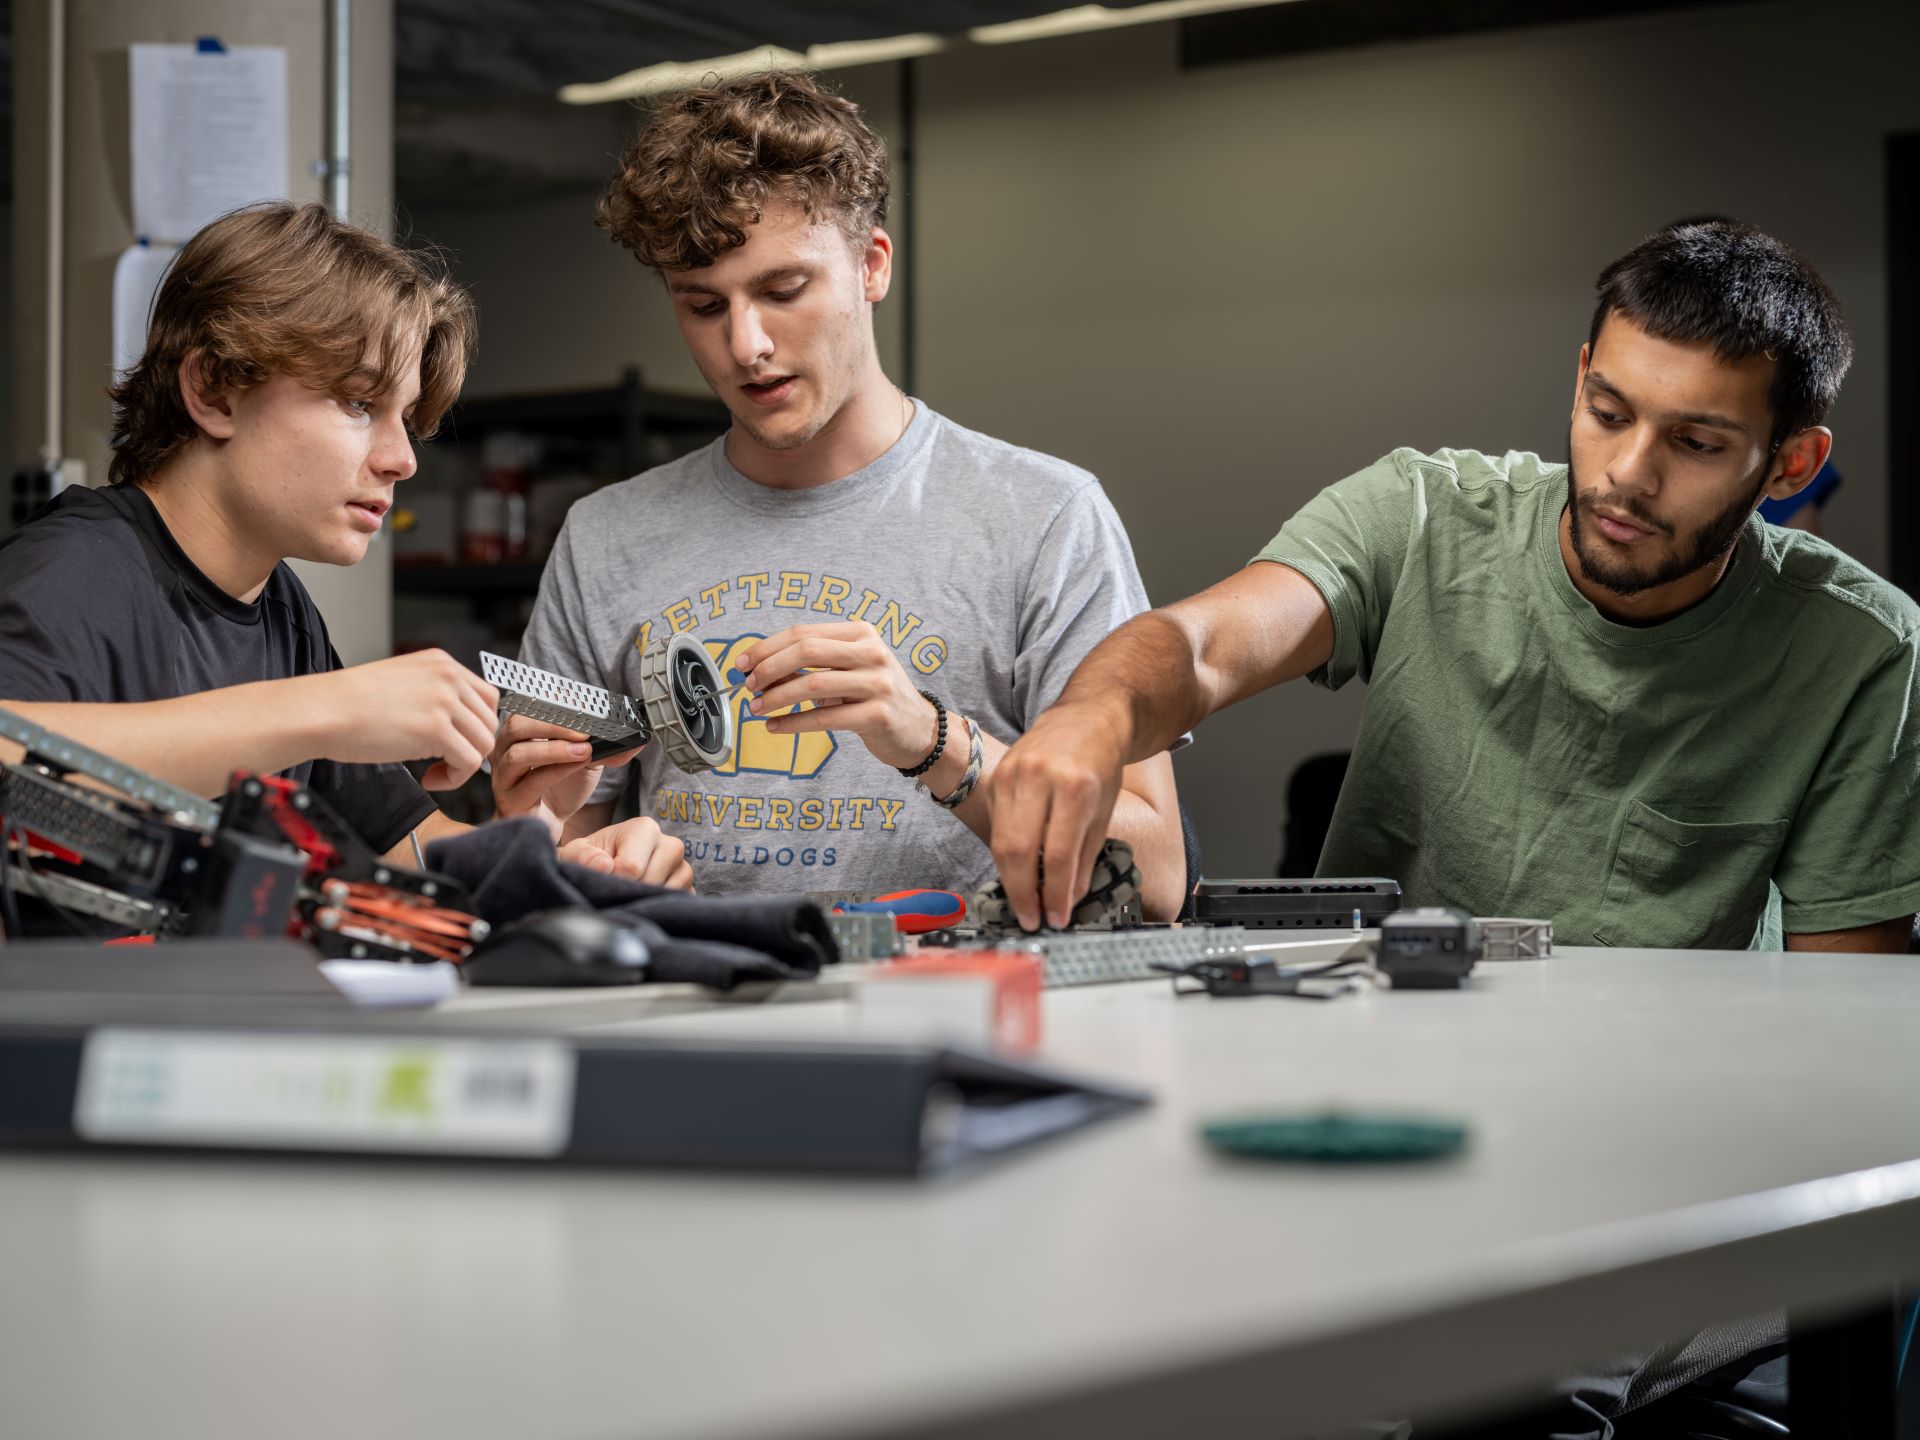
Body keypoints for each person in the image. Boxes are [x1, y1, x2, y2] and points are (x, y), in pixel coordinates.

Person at [988, 218, 1916, 948]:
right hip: (1382, 1068)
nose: (1629, 474)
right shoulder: (1421, 513)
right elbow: (1200, 646)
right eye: (1607, 413)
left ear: (1792, 464)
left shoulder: (1862, 651)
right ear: (1581, 380)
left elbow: (1838, 1014)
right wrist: (1093, 718)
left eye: (1696, 442)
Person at [492, 71, 1185, 915]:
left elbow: (1157, 876)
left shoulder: (1044, 519)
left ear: (871, 266)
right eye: (702, 305)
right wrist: (553, 842)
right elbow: (553, 854)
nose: (745, 345)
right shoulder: (604, 535)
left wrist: (930, 739)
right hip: (694, 988)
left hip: (957, 990)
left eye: (783, 291)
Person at [0, 201, 688, 939]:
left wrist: (549, 852)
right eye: (359, 402)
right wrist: (326, 711)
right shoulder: (72, 570)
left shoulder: (279, 608)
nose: (403, 459)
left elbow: (407, 858)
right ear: (215, 391)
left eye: (406, 418)